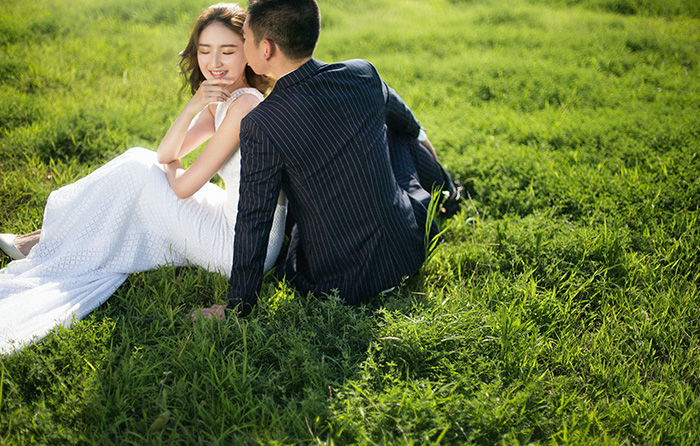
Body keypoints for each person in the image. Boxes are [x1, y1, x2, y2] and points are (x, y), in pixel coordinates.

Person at [0, 3, 287, 353]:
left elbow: (180, 185)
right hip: (234, 218)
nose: (214, 63)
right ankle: (44, 240)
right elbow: (167, 154)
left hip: (239, 247)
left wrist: (166, 171)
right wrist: (193, 106)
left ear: (249, 52)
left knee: (139, 169)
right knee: (140, 167)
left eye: (228, 51)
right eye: (204, 51)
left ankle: (42, 242)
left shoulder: (245, 105)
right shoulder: (221, 100)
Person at [193, 0, 461, 320]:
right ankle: (449, 193)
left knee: (399, 133)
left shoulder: (261, 123)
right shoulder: (362, 73)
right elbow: (393, 104)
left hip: (337, 280)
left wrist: (238, 305)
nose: (244, 46)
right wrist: (419, 133)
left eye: (246, 39)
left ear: (265, 48)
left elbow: (255, 218)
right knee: (401, 135)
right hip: (405, 252)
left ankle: (448, 191)